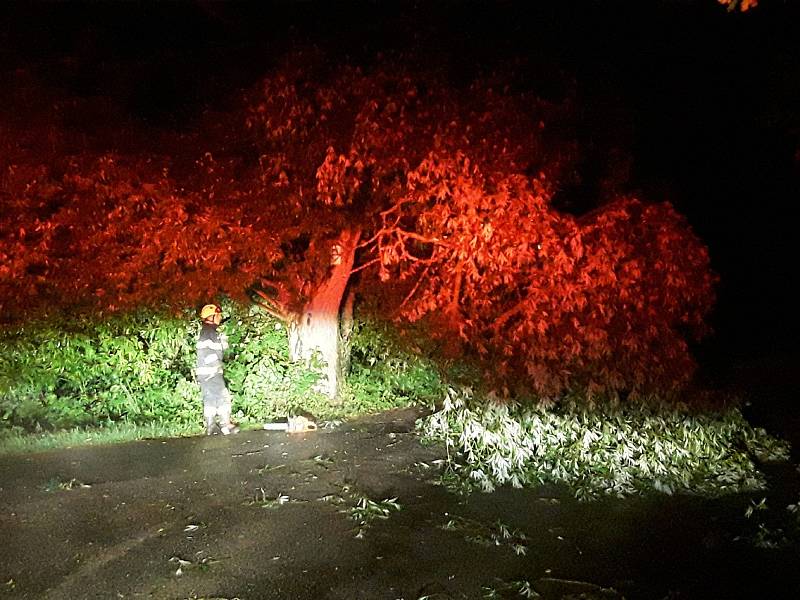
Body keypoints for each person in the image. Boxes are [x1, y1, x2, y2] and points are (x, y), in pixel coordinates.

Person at [196, 304, 238, 435]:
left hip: (207, 373)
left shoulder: (209, 331)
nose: (220, 318)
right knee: (222, 397)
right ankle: (225, 424)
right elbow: (208, 353)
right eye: (218, 315)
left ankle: (211, 427)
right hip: (211, 372)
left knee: (210, 398)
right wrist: (216, 366)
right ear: (212, 316)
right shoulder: (209, 332)